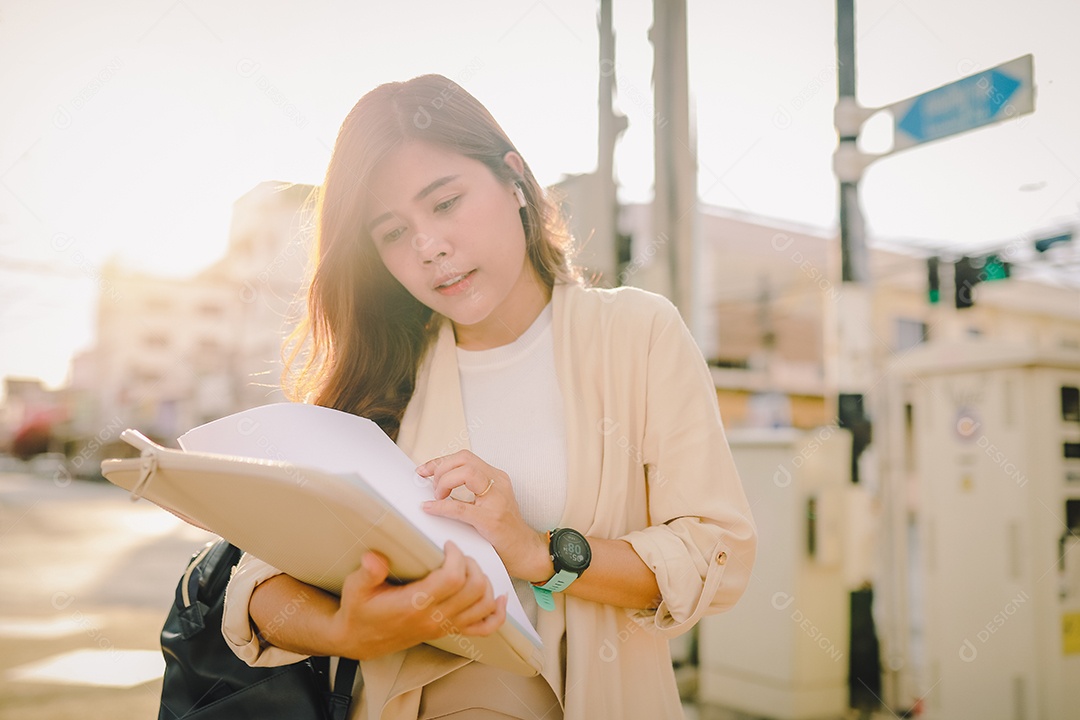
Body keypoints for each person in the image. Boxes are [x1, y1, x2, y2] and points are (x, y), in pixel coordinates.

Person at [221, 73, 756, 719]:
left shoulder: (636, 332)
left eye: (445, 202)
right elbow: (255, 583)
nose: (430, 247)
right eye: (392, 232)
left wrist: (539, 551)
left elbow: (715, 555)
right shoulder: (379, 373)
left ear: (513, 179)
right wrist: (345, 631)